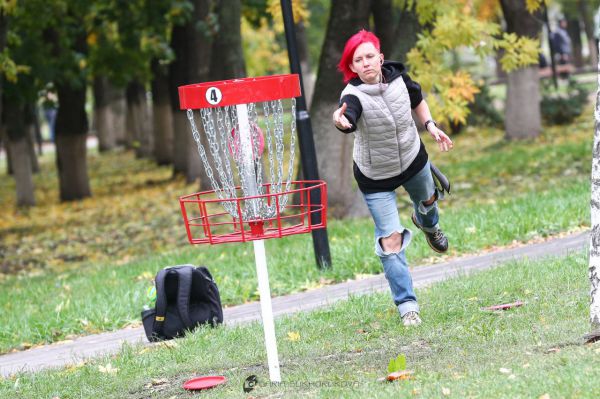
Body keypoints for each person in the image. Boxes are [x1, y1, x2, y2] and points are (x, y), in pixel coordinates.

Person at [332, 30, 453, 327]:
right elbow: (349, 116)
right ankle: (407, 306)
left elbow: (418, 98)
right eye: (358, 60)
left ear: (380, 58)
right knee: (390, 240)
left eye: (370, 56)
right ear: (353, 66)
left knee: (427, 203)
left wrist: (430, 125)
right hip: (376, 175)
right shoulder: (352, 95)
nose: (365, 63)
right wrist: (342, 121)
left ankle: (429, 224)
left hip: (413, 160)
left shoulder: (399, 78)